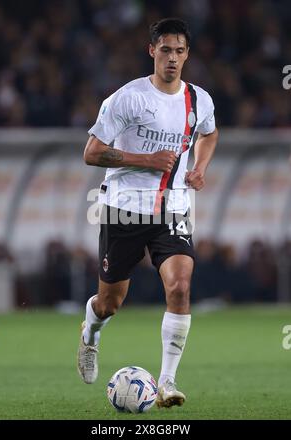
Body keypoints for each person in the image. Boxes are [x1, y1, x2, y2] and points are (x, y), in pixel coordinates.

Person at [78, 17, 218, 408]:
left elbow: (209, 133)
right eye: (165, 50)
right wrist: (147, 160)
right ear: (151, 51)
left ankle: (167, 382)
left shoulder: (198, 100)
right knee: (110, 302)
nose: (172, 58)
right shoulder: (127, 98)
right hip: (124, 209)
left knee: (180, 285)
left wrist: (200, 167)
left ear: (187, 54)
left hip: (172, 209)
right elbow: (91, 152)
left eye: (179, 51)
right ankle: (91, 333)